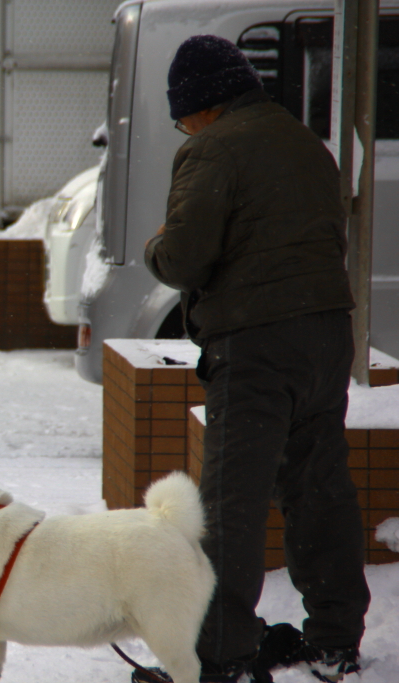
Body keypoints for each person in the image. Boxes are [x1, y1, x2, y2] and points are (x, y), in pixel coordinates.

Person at [142, 35, 371, 683]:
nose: (182, 127)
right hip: (327, 335)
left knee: (229, 503)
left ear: (204, 106)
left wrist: (158, 247)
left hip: (256, 342)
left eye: (181, 115)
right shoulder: (307, 144)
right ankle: (334, 637)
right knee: (320, 488)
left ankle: (218, 655)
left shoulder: (211, 149)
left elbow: (185, 256)